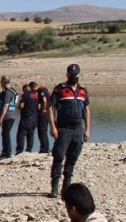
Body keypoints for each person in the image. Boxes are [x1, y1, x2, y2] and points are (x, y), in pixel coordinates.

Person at [48, 63, 91, 198]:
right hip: (63, 129)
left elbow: (87, 110)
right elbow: (50, 108)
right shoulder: (60, 89)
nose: (74, 76)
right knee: (59, 157)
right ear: (67, 74)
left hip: (78, 129)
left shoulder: (83, 90)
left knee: (72, 158)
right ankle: (54, 188)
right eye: (71, 74)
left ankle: (66, 188)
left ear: (79, 74)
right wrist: (53, 127)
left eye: (76, 74)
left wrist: (88, 129)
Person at [0, 76, 19, 159]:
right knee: (5, 133)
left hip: (8, 116)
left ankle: (7, 153)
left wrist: (1, 117)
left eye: (1, 81)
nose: (0, 83)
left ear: (4, 82)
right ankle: (5, 151)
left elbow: (6, 105)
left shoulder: (8, 92)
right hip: (12, 115)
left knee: (5, 134)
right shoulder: (13, 91)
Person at [15, 81, 40, 155]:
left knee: (21, 134)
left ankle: (19, 150)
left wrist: (19, 108)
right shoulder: (36, 95)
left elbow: (21, 106)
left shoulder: (24, 95)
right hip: (35, 117)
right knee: (31, 134)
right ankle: (29, 150)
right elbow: (39, 107)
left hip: (26, 117)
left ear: (24, 89)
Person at [36, 81, 51, 153]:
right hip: (48, 113)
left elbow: (44, 101)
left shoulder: (41, 91)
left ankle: (44, 148)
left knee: (42, 131)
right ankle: (45, 147)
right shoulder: (46, 90)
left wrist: (42, 109)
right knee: (44, 131)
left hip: (43, 114)